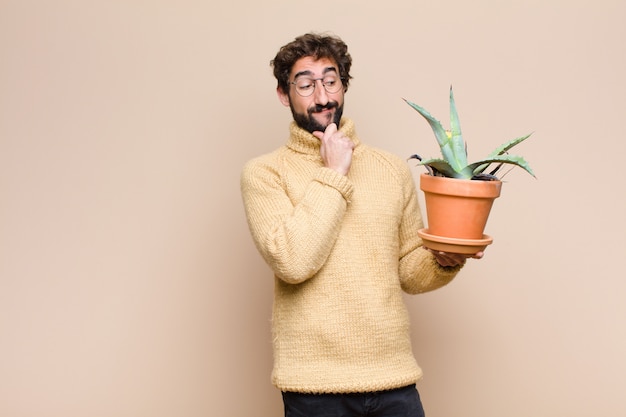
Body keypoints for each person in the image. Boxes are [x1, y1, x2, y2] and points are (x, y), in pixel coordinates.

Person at [240, 32, 483, 417]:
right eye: (305, 84)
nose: (322, 96)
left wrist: (444, 260)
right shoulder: (265, 173)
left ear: (344, 85)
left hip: (394, 380)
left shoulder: (389, 168)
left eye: (330, 81)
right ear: (285, 94)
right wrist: (335, 172)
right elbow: (292, 261)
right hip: (313, 388)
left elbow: (407, 271)